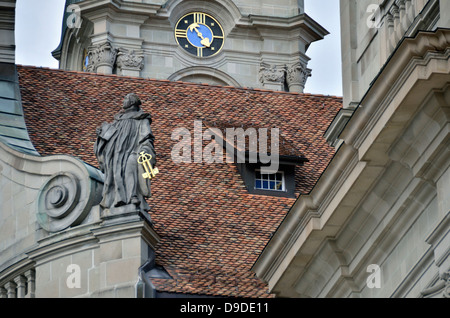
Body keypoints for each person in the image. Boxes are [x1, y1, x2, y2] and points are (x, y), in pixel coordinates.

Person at [94, 93, 156, 214]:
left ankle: (133, 197)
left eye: (126, 99)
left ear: (132, 102)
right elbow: (109, 137)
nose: (123, 101)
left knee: (130, 167)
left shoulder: (142, 119)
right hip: (116, 154)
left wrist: (145, 149)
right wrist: (101, 135)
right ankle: (118, 199)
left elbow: (147, 138)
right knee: (116, 174)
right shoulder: (118, 120)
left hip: (133, 151)